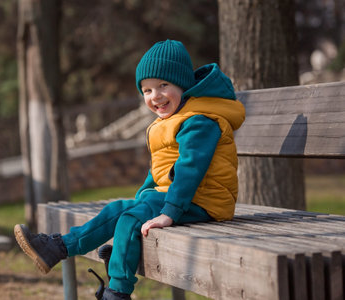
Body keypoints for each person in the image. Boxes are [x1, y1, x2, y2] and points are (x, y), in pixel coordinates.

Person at [14, 39, 245, 300]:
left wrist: (169, 212)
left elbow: (190, 169)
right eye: (146, 90)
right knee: (119, 209)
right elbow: (160, 170)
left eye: (163, 85)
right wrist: (142, 197)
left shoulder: (200, 121)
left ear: (183, 84)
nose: (155, 96)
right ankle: (57, 248)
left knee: (130, 220)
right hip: (184, 197)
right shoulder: (171, 120)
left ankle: (118, 291)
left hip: (205, 201)